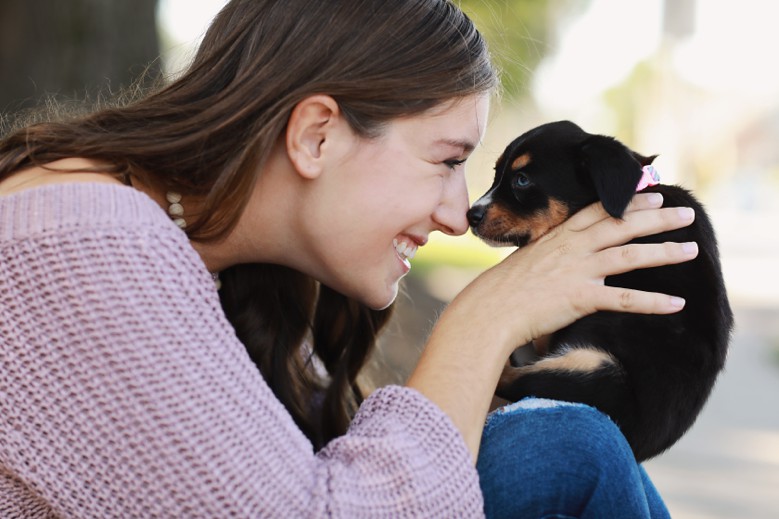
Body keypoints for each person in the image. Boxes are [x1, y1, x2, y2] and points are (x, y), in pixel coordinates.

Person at [0, 0, 697, 516]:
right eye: (446, 161)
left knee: (561, 445)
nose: (459, 214)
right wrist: (484, 321)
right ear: (316, 136)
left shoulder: (209, 257)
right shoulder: (85, 249)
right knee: (567, 446)